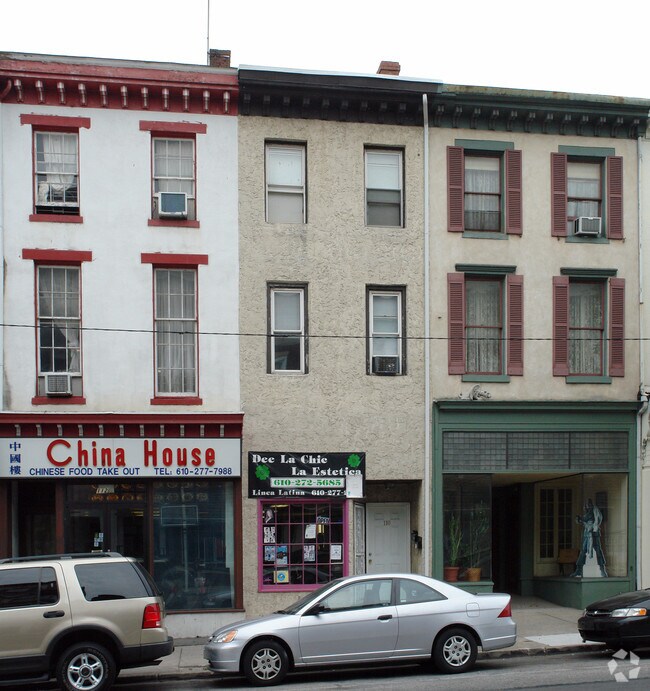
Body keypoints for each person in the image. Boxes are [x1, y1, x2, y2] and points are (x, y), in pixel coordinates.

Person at [571, 498, 607, 577]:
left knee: (594, 550)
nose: (586, 506)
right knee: (584, 550)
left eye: (587, 504)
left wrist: (579, 518)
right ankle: (579, 570)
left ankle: (602, 570)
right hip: (588, 533)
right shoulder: (591, 511)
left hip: (592, 533)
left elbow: (585, 518)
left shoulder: (592, 511)